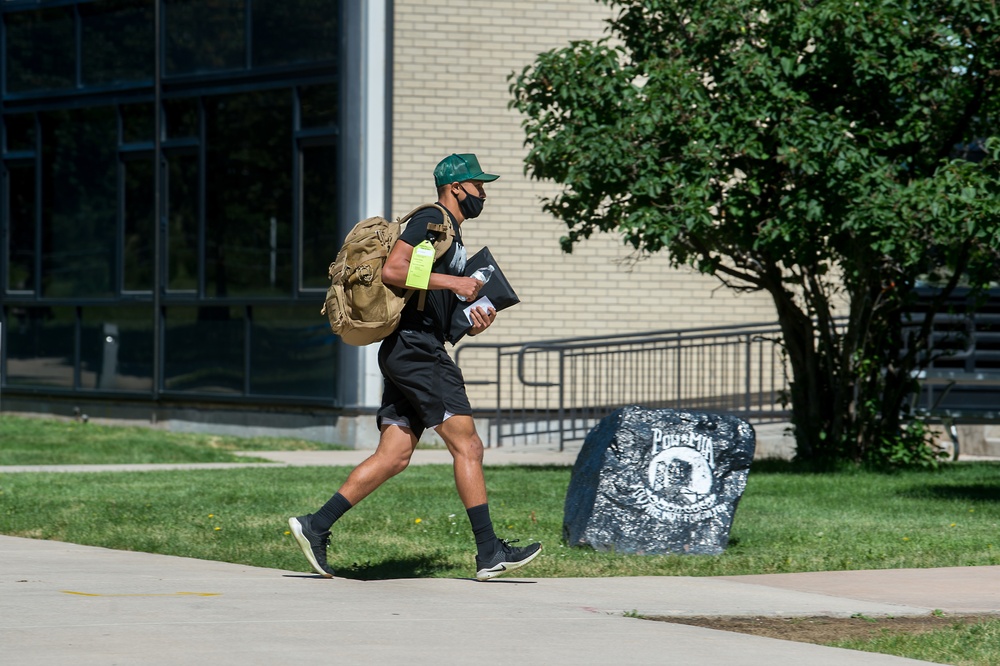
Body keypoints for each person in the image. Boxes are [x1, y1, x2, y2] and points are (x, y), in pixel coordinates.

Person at [289, 153, 542, 581]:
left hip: (413, 346)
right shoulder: (431, 219)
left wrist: (473, 318)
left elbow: (421, 287)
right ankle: (488, 552)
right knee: (469, 446)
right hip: (417, 351)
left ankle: (315, 526)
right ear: (456, 187)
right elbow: (394, 269)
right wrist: (458, 283)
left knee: (394, 454)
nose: (484, 193)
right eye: (479, 185)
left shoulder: (450, 234)